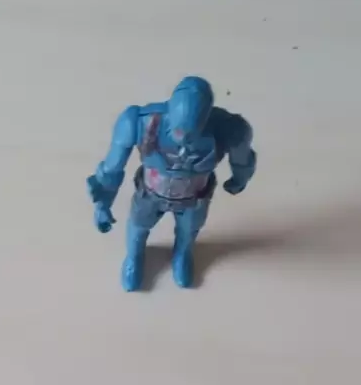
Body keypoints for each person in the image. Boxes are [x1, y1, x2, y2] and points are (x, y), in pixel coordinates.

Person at [87, 76, 256, 291]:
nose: (183, 141)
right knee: (138, 227)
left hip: (194, 196)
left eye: (191, 135)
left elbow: (243, 160)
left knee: (189, 231)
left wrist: (239, 179)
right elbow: (112, 167)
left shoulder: (229, 130)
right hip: (150, 193)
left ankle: (182, 254)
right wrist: (102, 202)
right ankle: (134, 256)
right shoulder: (139, 122)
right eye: (177, 132)